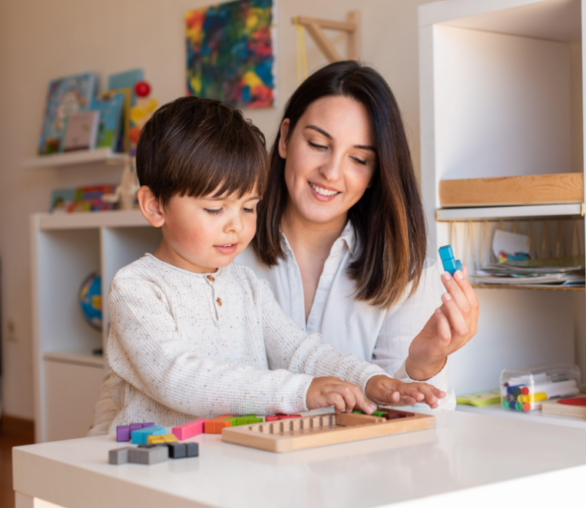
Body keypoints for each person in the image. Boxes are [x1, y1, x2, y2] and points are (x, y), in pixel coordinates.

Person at [99, 96, 444, 432]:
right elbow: (178, 378)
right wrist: (299, 392)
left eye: (248, 207)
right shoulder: (136, 287)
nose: (236, 225)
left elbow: (300, 351)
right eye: (215, 209)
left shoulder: (245, 284)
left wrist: (369, 381)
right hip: (153, 467)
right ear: (155, 207)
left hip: (233, 465)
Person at [237, 61, 479, 409]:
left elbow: (412, 435)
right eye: (318, 144)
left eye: (359, 160)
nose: (332, 172)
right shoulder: (225, 249)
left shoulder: (405, 273)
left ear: (375, 173)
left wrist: (423, 366)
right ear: (286, 137)